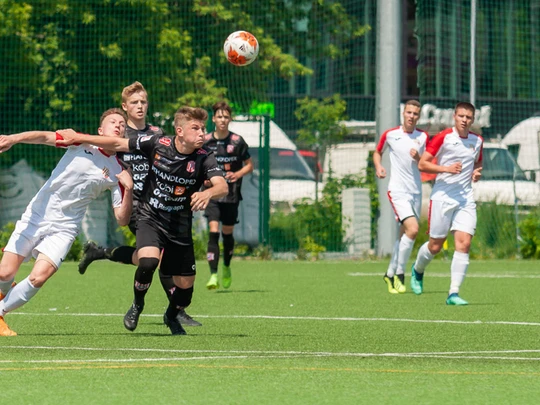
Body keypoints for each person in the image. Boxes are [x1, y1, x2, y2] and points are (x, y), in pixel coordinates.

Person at [57, 106, 228, 335]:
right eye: (195, 128)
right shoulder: (158, 143)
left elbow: (222, 186)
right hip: (150, 216)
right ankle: (138, 304)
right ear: (179, 131)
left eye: (203, 129)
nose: (201, 133)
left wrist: (207, 193)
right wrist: (77, 137)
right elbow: (117, 144)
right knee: (148, 261)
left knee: (185, 289)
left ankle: (171, 314)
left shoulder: (204, 157)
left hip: (179, 225)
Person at [77, 82, 202, 327]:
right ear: (125, 107)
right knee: (157, 257)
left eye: (143, 101)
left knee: (146, 258)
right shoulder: (120, 135)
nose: (140, 106)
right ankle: (173, 312)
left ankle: (101, 252)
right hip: (133, 204)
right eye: (134, 102)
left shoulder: (157, 135)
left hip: (156, 202)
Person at [0, 108, 134, 336]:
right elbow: (44, 137)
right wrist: (14, 138)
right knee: (4, 274)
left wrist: (128, 189)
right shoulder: (79, 142)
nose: (119, 126)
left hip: (66, 228)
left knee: (39, 276)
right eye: (114, 122)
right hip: (38, 215)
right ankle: (5, 290)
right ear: (101, 130)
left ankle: (1, 312)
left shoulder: (118, 171)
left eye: (122, 124)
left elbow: (122, 219)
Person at [410, 101, 483, 305]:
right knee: (436, 245)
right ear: (454, 116)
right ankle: (418, 269)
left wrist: (476, 173)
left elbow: (478, 163)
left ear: (473, 120)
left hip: (465, 198)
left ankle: (453, 293)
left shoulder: (477, 141)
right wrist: (447, 169)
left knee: (464, 243)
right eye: (461, 116)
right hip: (442, 197)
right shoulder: (444, 137)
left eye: (468, 117)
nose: (464, 120)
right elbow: (423, 163)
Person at [373, 100, 428, 294]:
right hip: (397, 190)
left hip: (415, 191)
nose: (412, 116)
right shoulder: (391, 135)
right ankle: (399, 274)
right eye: (409, 112)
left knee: (404, 234)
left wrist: (419, 159)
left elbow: (428, 163)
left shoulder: (423, 136)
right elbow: (377, 152)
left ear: (418, 117)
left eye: (415, 113)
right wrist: (379, 166)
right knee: (413, 229)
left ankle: (389, 274)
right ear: (403, 114)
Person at [203, 101, 253, 290]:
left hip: (231, 195)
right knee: (214, 231)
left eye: (226, 116)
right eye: (219, 116)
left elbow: (249, 165)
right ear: (214, 119)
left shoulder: (237, 141)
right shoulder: (206, 141)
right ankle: (213, 275)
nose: (222, 120)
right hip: (213, 195)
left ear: (230, 119)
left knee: (227, 234)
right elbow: (199, 165)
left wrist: (237, 174)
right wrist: (205, 180)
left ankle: (226, 266)